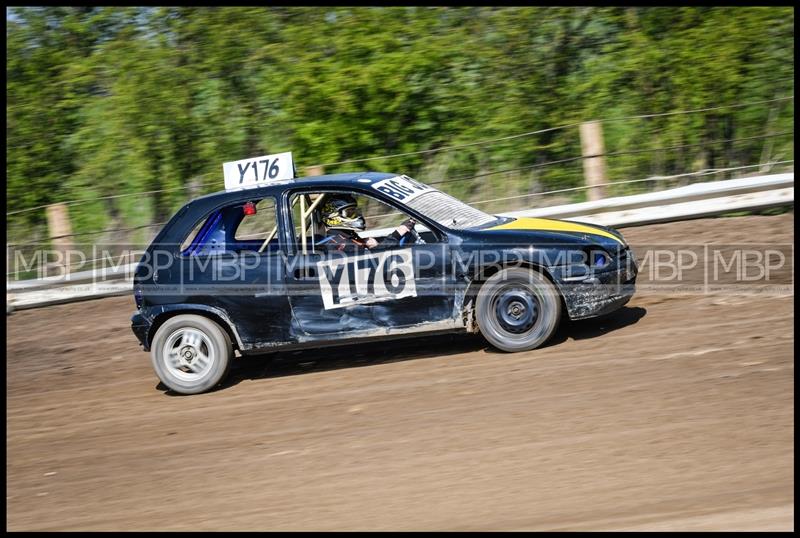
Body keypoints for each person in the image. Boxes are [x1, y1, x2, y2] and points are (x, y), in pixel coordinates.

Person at [316, 194, 417, 253]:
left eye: (354, 211)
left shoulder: (344, 236)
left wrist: (367, 243)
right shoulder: (341, 243)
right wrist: (398, 233)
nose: (355, 215)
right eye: (350, 213)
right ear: (334, 216)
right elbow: (374, 259)